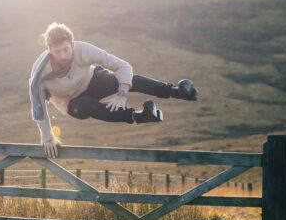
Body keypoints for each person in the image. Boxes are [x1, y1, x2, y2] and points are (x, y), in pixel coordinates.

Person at [29, 22, 198, 158]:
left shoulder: (83, 49)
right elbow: (38, 107)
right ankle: (139, 116)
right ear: (49, 50)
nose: (63, 56)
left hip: (93, 80)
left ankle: (176, 91)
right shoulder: (40, 73)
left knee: (123, 79)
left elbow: (123, 66)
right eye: (57, 52)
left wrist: (122, 93)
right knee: (86, 104)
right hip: (72, 103)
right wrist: (47, 138)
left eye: (66, 50)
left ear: (72, 45)